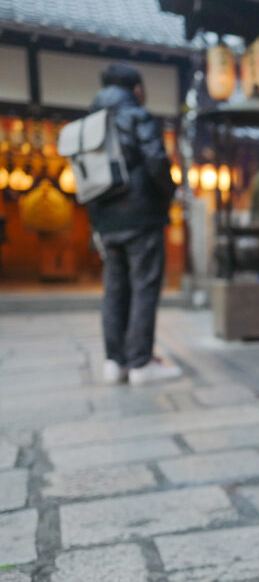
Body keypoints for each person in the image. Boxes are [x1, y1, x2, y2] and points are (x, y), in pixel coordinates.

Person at [88, 63, 180, 385]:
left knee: (114, 289)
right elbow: (156, 161)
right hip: (141, 217)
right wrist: (168, 195)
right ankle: (141, 363)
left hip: (106, 221)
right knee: (143, 288)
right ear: (136, 88)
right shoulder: (136, 115)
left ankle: (115, 363)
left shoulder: (91, 121)